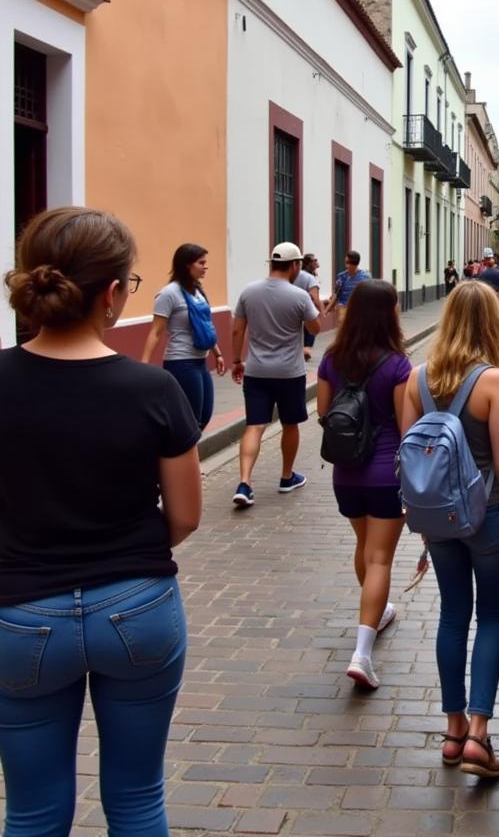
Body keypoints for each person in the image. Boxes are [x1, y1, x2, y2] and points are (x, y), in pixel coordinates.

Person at [0, 206, 202, 836]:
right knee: (138, 799)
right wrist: (129, 545)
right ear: (113, 294)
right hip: (138, 609)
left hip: (20, 614)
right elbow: (187, 516)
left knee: (32, 810)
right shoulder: (153, 390)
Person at [400, 282, 499, 780]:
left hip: (439, 520)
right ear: (493, 322)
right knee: (492, 617)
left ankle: (453, 729)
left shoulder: (415, 380)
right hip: (491, 518)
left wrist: (423, 521)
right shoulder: (495, 382)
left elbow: (411, 461)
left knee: (453, 615)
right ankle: (480, 735)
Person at [317, 280, 410, 692]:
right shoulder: (396, 365)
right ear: (388, 314)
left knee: (364, 547)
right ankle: (362, 653)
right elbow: (406, 426)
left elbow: (322, 412)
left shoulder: (332, 358)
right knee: (380, 559)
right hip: (385, 473)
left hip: (346, 474)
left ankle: (378, 611)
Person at [230, 242, 321, 509]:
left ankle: (245, 482)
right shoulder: (298, 295)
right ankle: (286, 476)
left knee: (254, 425)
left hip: (256, 371)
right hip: (289, 372)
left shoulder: (249, 292)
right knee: (290, 424)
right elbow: (314, 326)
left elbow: (237, 331)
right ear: (294, 265)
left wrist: (237, 360)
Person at [140, 242, 226, 429]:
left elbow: (205, 326)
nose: (206, 267)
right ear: (187, 264)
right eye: (201, 263)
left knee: (204, 415)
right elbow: (156, 331)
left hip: (200, 362)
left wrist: (217, 353)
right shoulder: (168, 293)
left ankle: (187, 455)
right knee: (191, 418)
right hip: (181, 362)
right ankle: (182, 456)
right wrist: (143, 366)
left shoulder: (197, 291)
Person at [324, 250, 371, 321]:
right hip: (344, 309)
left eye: (348, 262)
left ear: (354, 263)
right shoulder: (341, 276)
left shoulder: (365, 276)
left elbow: (369, 295)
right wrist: (326, 310)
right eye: (346, 262)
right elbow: (336, 295)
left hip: (359, 310)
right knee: (345, 330)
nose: (346, 264)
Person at [296, 254, 324, 362]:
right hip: (307, 309)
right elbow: (314, 297)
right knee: (309, 333)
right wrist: (321, 311)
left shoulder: (299, 274)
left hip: (294, 309)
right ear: (308, 263)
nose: (317, 262)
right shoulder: (309, 278)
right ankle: (306, 350)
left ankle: (302, 351)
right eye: (314, 260)